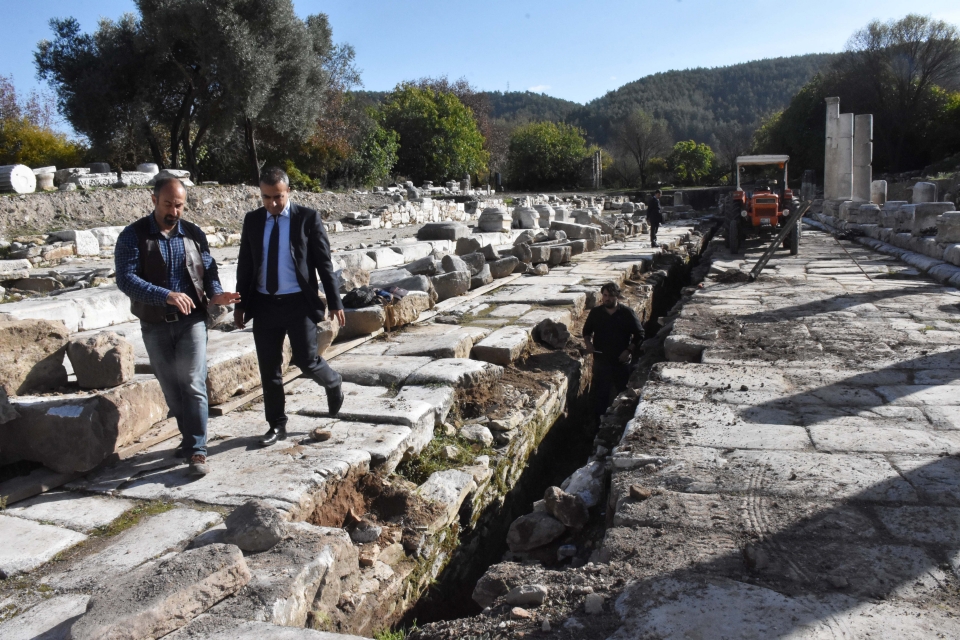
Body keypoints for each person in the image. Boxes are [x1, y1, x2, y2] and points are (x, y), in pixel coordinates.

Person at [115, 177, 240, 476]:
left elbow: (208, 269)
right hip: (155, 324)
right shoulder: (132, 235)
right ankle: (188, 439)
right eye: (168, 204)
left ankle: (198, 450)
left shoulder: (194, 234)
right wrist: (166, 295)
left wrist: (216, 293)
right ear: (154, 200)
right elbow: (126, 279)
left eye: (180, 205)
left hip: (192, 321)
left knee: (194, 383)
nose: (174, 210)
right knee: (171, 389)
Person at [234, 166, 346, 446]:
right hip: (264, 304)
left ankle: (333, 382)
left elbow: (324, 263)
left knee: (306, 361)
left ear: (288, 193)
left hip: (298, 302)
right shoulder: (253, 220)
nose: (272, 204)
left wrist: (335, 301)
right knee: (269, 370)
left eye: (278, 197)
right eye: (266, 197)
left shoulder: (307, 218)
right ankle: (276, 425)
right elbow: (245, 265)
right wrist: (240, 305)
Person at [582, 282, 645, 417]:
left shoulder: (627, 313)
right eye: (605, 295)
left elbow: (640, 334)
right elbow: (586, 331)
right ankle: (598, 423)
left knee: (621, 392)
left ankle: (619, 420)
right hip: (601, 360)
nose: (607, 298)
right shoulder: (596, 313)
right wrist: (588, 343)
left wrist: (628, 350)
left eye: (610, 296)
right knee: (600, 394)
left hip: (620, 361)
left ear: (617, 296)